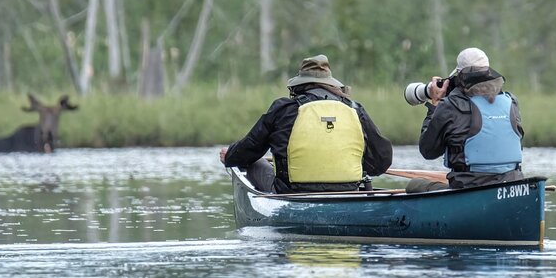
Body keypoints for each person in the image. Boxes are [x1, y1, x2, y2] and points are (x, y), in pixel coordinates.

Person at [219, 54, 393, 193]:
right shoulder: (355, 109)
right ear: (330, 84)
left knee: (254, 163)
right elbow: (382, 161)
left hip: (293, 192)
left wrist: (230, 156)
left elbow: (249, 150)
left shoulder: (283, 109)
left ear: (298, 86)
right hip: (348, 190)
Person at [408, 47, 524, 192]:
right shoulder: (511, 102)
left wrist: (436, 105)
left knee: (414, 185)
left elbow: (428, 151)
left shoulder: (450, 105)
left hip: (470, 188)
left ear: (459, 75)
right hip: (512, 184)